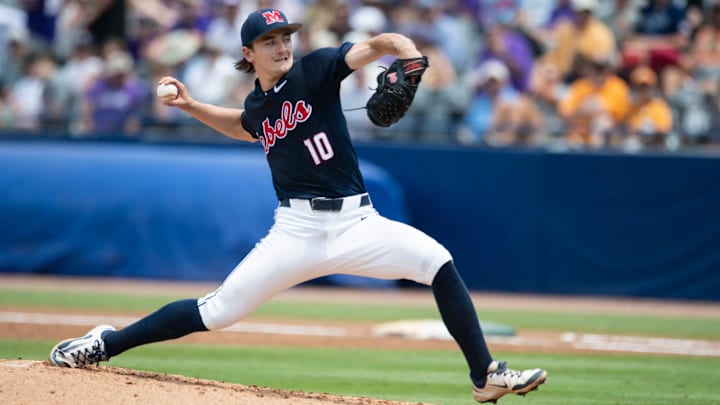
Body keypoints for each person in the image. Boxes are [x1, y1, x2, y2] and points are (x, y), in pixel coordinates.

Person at [47, 8, 547, 403]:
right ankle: (105, 343)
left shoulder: (316, 69)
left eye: (285, 36)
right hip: (296, 231)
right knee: (217, 311)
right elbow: (244, 125)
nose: (282, 45)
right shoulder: (259, 106)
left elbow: (378, 46)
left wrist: (411, 56)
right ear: (249, 52)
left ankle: (485, 376)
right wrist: (192, 106)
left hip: (358, 222)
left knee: (437, 261)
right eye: (270, 41)